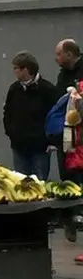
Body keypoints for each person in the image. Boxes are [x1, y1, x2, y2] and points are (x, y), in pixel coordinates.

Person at [3, 51, 59, 180]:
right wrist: (11, 132)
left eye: (16, 68)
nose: (14, 71)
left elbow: (54, 116)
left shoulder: (47, 89)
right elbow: (7, 112)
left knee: (39, 184)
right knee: (20, 184)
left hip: (40, 148)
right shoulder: (14, 89)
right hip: (19, 147)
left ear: (26, 69)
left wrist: (50, 141)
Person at [54, 40, 83, 244]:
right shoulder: (62, 76)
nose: (56, 59)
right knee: (68, 177)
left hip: (81, 137)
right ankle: (69, 219)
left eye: (59, 54)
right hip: (67, 137)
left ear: (70, 55)